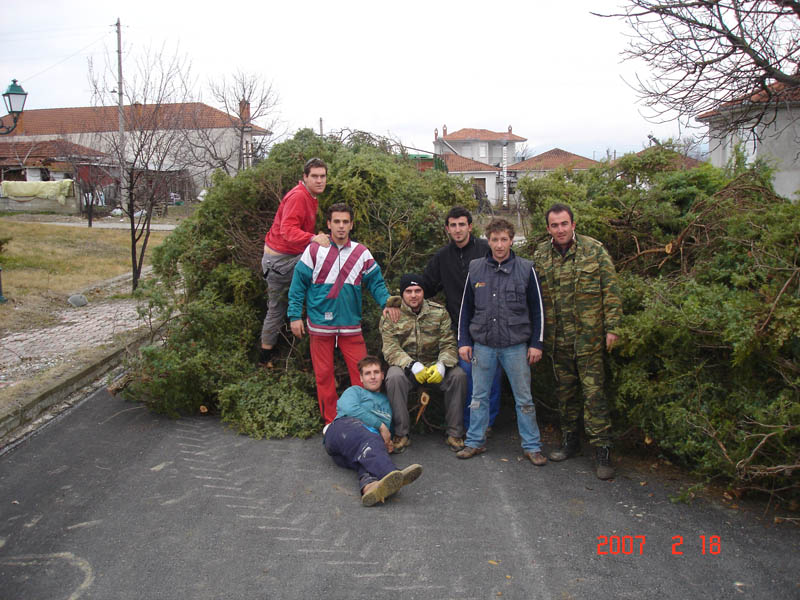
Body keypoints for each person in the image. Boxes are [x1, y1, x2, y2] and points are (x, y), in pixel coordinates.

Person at [533, 203, 622, 480]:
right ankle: (570, 441)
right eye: (554, 225)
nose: (560, 229)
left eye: (564, 224)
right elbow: (535, 298)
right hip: (558, 340)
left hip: (589, 339)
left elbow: (611, 290)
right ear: (548, 228)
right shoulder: (540, 255)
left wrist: (613, 327)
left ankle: (603, 450)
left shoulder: (594, 250)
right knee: (565, 394)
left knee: (594, 395)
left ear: (573, 224)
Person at [288, 203, 396, 424]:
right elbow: (298, 284)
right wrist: (294, 316)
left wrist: (386, 302)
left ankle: (364, 423)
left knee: (363, 376)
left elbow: (376, 283)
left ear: (351, 225)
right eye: (336, 221)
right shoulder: (314, 250)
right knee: (324, 376)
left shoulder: (361, 252)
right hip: (319, 325)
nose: (341, 226)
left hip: (350, 326)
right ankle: (332, 423)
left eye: (345, 222)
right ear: (328, 224)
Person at [456, 218, 547, 466]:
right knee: (478, 397)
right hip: (483, 345)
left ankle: (532, 446)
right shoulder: (475, 269)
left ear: (511, 240)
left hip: (516, 346)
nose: (499, 245)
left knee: (524, 399)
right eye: (494, 239)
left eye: (504, 239)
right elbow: (466, 308)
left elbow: (538, 309)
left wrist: (536, 343)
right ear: (488, 240)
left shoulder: (526, 268)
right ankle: (474, 441)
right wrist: (463, 341)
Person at [422, 206, 503, 431]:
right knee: (467, 376)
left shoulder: (486, 249)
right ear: (447, 229)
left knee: (493, 377)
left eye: (461, 225)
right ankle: (470, 425)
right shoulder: (442, 257)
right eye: (453, 225)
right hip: (461, 328)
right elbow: (425, 286)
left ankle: (487, 423)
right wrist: (399, 300)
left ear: (470, 226)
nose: (457, 229)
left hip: (491, 326)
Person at [380, 274, 467, 453]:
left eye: (417, 290)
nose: (413, 295)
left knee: (458, 376)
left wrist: (442, 364)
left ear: (423, 292)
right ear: (402, 294)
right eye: (408, 291)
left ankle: (455, 433)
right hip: (407, 369)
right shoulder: (392, 315)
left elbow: (449, 343)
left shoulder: (439, 312)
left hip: (434, 367)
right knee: (394, 377)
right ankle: (401, 434)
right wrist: (411, 365)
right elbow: (390, 348)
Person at [323, 355, 423, 507]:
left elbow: (386, 434)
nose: (372, 376)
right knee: (371, 439)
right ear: (361, 378)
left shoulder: (388, 403)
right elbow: (349, 408)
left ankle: (370, 486)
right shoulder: (355, 391)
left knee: (367, 456)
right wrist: (380, 426)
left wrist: (388, 443)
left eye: (376, 372)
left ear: (382, 375)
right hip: (341, 431)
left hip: (350, 452)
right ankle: (391, 473)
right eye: (367, 373)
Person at [259, 158, 331, 367]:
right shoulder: (299, 196)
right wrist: (313, 238)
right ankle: (319, 343)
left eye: (323, 176)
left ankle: (265, 357)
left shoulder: (309, 195)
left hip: (277, 262)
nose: (319, 180)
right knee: (323, 266)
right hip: (280, 263)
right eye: (314, 176)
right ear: (305, 177)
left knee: (276, 309)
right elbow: (287, 231)